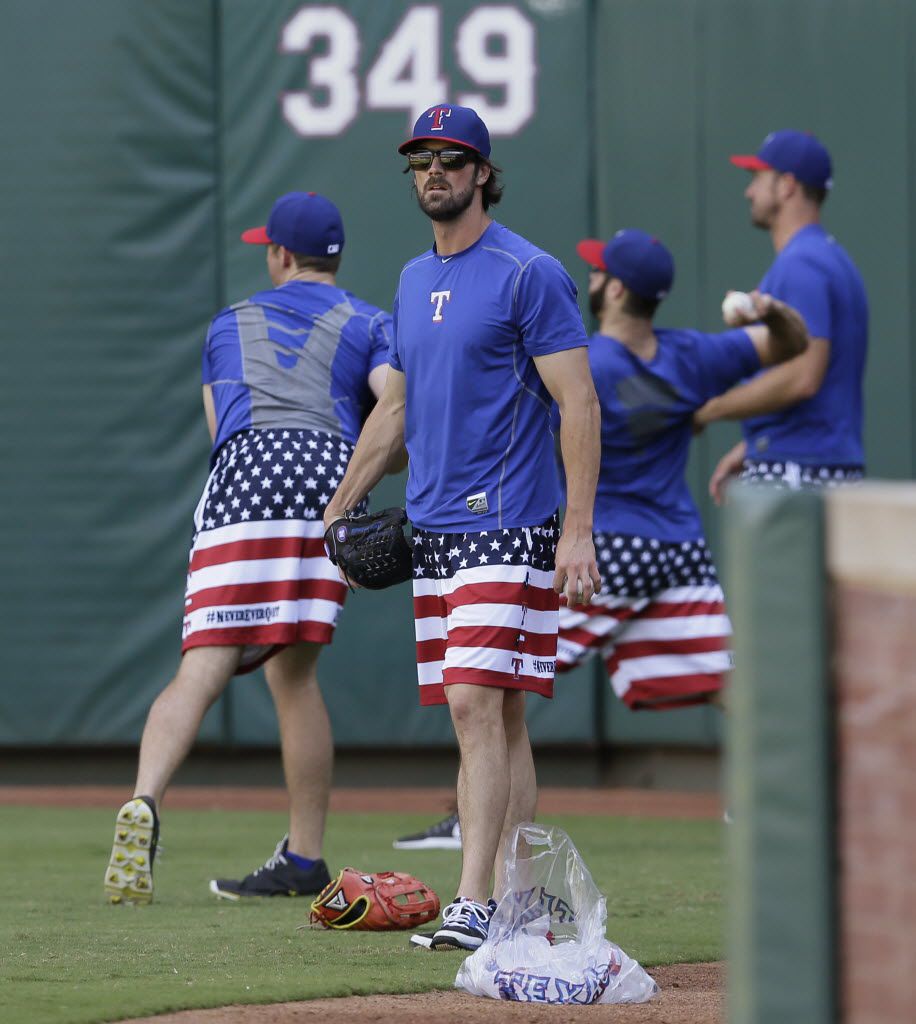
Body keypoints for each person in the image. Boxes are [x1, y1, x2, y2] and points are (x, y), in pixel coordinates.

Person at [400, 229, 810, 847]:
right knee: (731, 684)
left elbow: (553, 411)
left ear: (616, 288)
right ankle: (793, 786)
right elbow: (790, 345)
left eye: (599, 273)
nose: (592, 280)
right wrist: (773, 311)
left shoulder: (588, 361)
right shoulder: (693, 356)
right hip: (677, 550)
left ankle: (473, 823)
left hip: (606, 550)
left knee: (485, 685)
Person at [324, 103, 601, 951]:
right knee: (496, 718)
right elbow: (394, 410)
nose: (434, 171)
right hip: (434, 531)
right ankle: (516, 901)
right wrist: (339, 504)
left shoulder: (529, 273)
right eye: (420, 159)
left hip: (509, 522)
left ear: (484, 172)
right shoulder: (411, 281)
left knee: (473, 705)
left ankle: (473, 900)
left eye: (451, 157)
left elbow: (578, 401)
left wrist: (577, 530)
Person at [104, 191, 395, 905]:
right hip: (332, 479)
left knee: (201, 667)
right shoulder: (372, 321)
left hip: (248, 478)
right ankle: (305, 855)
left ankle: (144, 799)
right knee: (295, 675)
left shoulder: (227, 323)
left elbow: (220, 433)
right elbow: (397, 404)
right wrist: (356, 478)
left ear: (280, 255)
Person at [695, 130, 868, 502]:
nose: (749, 192)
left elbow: (804, 377)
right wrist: (752, 447)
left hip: (799, 470)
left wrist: (710, 409)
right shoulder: (832, 259)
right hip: (820, 464)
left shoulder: (801, 264)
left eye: (758, 178)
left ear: (787, 185)